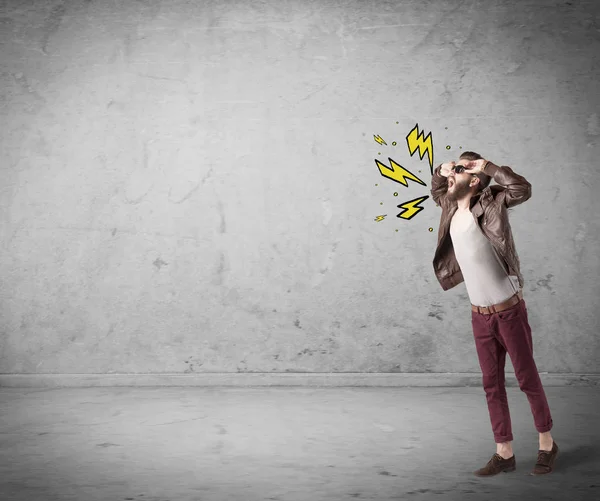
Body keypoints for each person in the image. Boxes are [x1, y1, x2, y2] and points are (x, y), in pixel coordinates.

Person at [430, 151, 558, 477]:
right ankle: (504, 452)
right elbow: (436, 190)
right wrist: (441, 170)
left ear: (473, 180)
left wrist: (486, 166)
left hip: (508, 311)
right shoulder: (450, 207)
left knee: (527, 379)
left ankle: (547, 444)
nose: (451, 174)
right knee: (491, 384)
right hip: (479, 316)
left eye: (459, 170)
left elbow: (522, 189)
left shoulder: (492, 202)